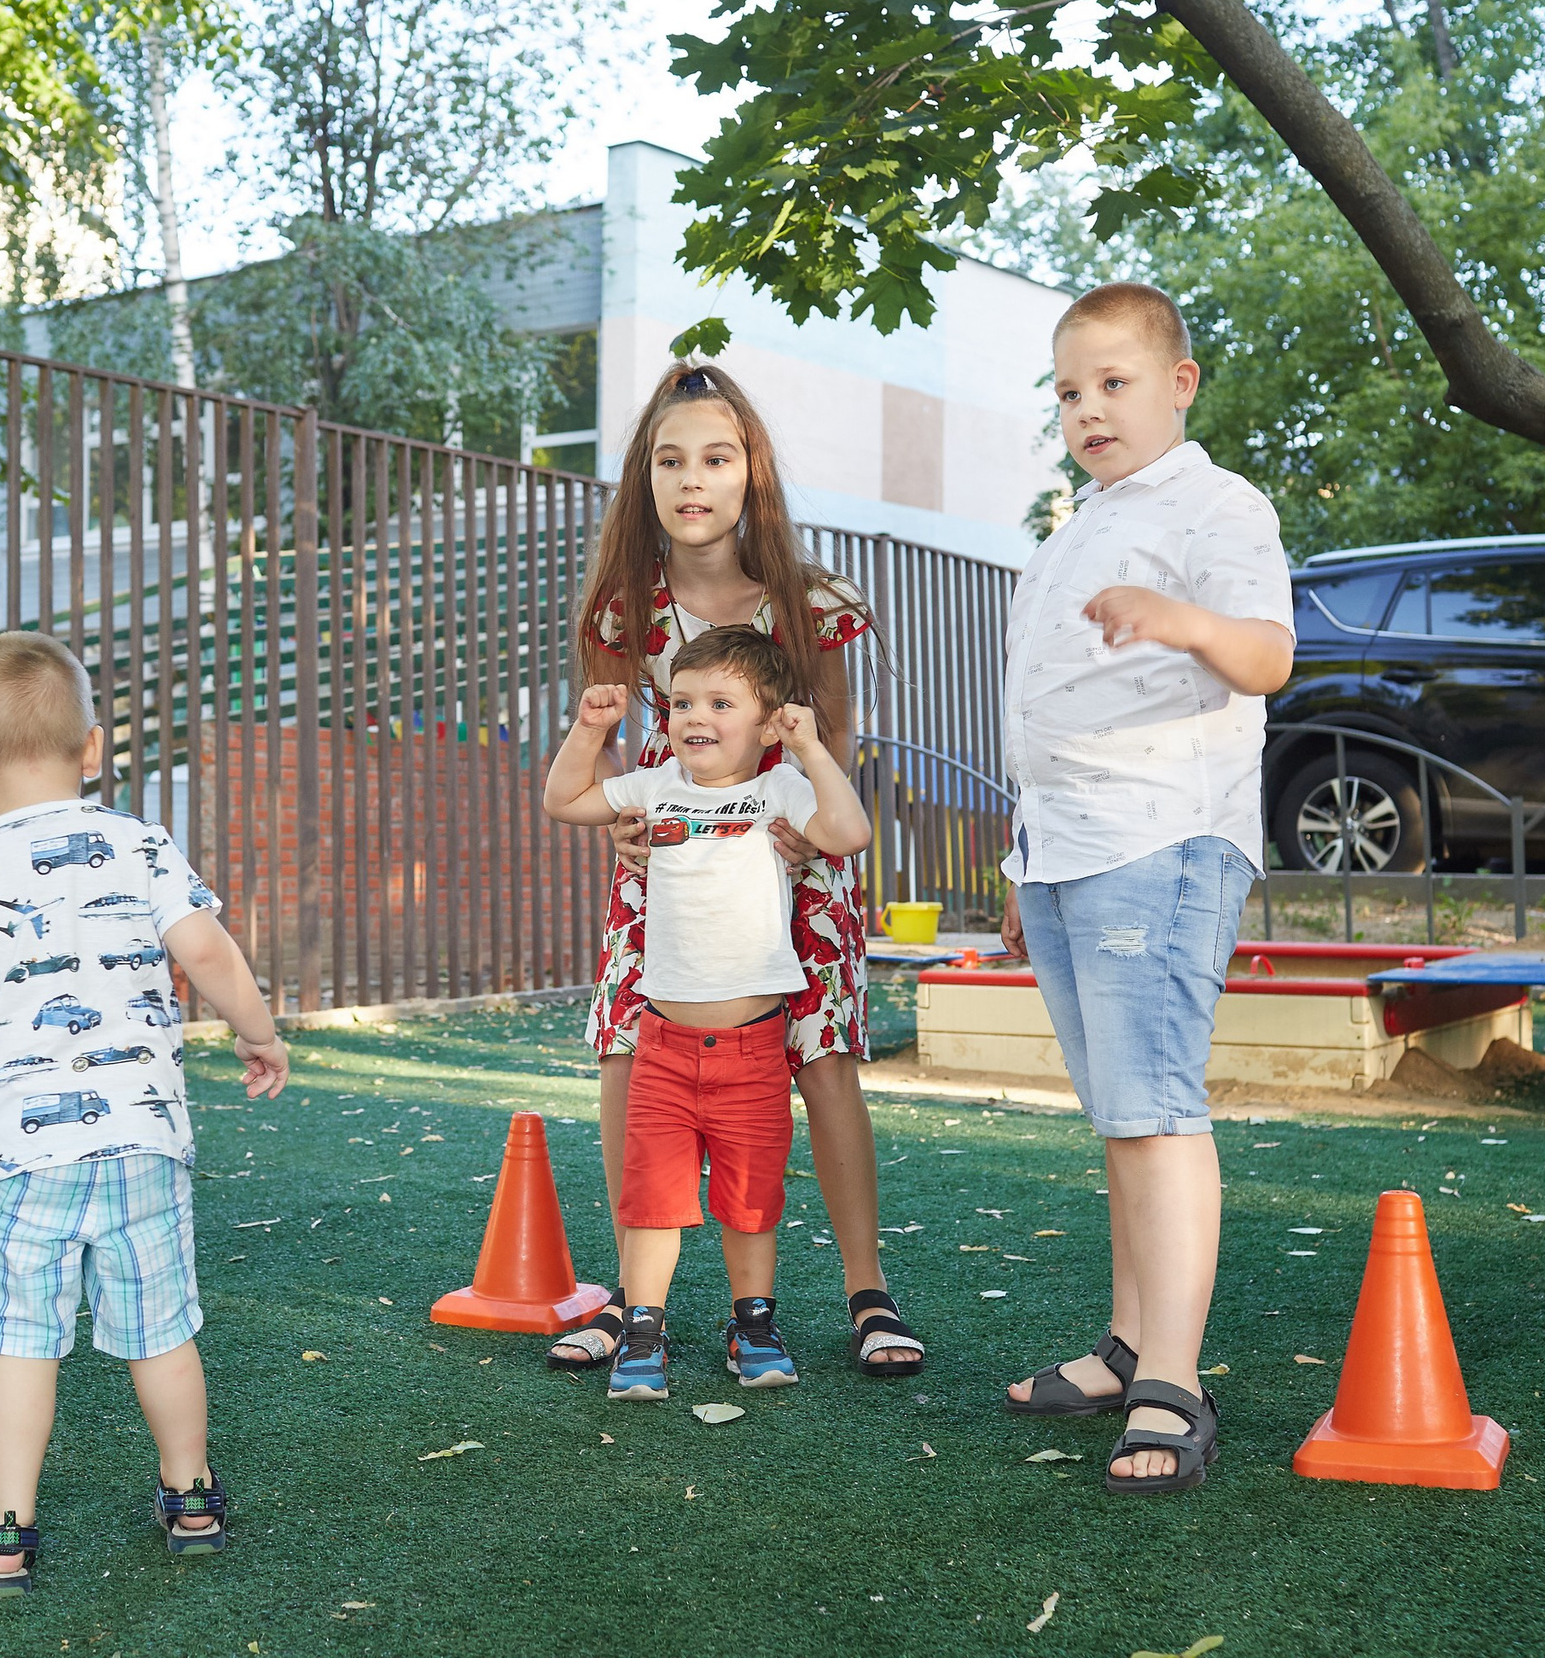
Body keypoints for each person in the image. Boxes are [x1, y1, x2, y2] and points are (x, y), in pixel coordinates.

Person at [0, 630, 291, 1594]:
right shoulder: (140, 844)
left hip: (19, 1155)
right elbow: (212, 953)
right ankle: (191, 1495)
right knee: (162, 1326)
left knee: (23, 1337)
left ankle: (5, 1532)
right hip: (143, 1138)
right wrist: (259, 1031)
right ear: (95, 749)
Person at [549, 361, 927, 1379]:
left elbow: (834, 741)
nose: (692, 479)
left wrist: (810, 828)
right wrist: (614, 832)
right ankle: (638, 1302)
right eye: (670, 460)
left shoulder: (812, 604)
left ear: (750, 473)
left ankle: (867, 1295)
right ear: (646, 479)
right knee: (629, 1046)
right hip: (670, 864)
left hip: (792, 858)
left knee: (822, 1053)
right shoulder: (625, 612)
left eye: (715, 457)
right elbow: (602, 742)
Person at [996, 282, 1293, 1493]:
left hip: (1159, 836)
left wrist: (1175, 618)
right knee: (1118, 1107)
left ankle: (1171, 1380)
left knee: (1156, 1106)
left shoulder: (1218, 506)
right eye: (1069, 391)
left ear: (1178, 384)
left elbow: (1267, 655)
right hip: (1063, 846)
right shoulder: (1084, 522)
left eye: (1113, 382)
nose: (1087, 408)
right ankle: (1127, 1344)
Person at [544, 626, 872, 1398]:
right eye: (684, 699)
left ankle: (752, 1322)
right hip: (662, 1041)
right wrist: (590, 729)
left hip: (754, 1047)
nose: (696, 714)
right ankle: (644, 1329)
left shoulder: (782, 788)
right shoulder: (656, 783)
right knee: (654, 1195)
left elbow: (849, 831)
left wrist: (812, 748)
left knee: (751, 1194)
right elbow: (564, 799)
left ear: (765, 723)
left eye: (721, 702)